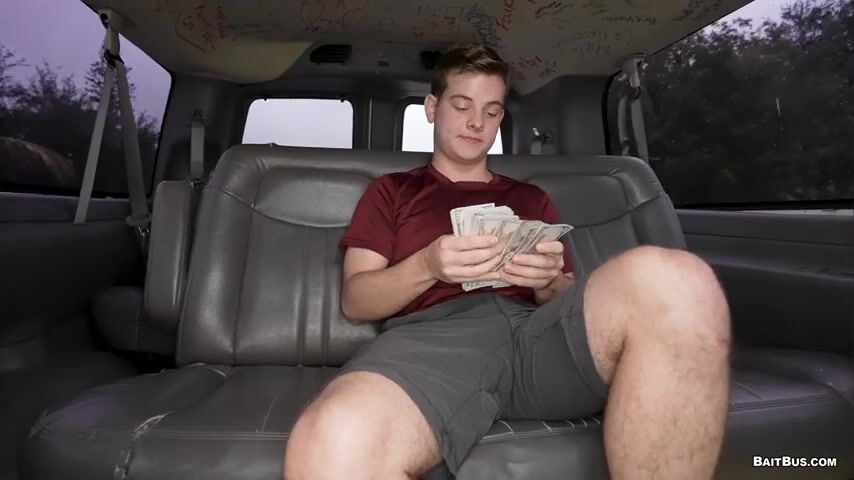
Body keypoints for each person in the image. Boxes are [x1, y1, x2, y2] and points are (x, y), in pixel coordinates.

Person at [284, 44, 731, 480]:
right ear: (432, 108)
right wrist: (427, 266)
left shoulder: (532, 198)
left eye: (492, 111)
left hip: (537, 338)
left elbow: (566, 295)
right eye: (462, 106)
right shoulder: (391, 192)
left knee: (680, 277)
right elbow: (356, 302)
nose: (477, 122)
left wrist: (549, 284)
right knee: (332, 442)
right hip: (433, 342)